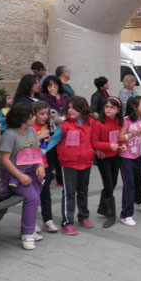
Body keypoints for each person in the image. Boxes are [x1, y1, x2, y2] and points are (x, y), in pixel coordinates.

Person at [0, 103, 44, 250]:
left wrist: (40, 166)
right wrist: (20, 177)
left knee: (36, 196)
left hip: (30, 170)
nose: (35, 117)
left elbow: (36, 151)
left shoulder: (32, 131)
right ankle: (27, 234)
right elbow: (5, 160)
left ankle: (29, 227)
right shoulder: (9, 135)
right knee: (32, 198)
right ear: (23, 118)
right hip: (13, 173)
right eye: (33, 115)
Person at [43, 96, 96, 236]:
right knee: (69, 192)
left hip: (86, 162)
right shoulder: (64, 125)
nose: (70, 110)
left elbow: (95, 139)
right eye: (69, 108)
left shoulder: (90, 122)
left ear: (82, 109)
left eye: (74, 108)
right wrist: (42, 152)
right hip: (69, 163)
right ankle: (67, 222)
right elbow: (54, 140)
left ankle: (83, 216)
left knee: (83, 190)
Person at [92, 97, 127, 228]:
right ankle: (111, 215)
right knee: (108, 184)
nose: (108, 109)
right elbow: (94, 142)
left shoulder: (119, 121)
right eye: (106, 107)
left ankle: (102, 208)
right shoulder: (98, 123)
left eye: (112, 107)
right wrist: (108, 146)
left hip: (115, 156)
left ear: (118, 110)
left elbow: (120, 138)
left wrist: (122, 145)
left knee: (112, 183)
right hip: (103, 157)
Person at [118, 96, 141, 225]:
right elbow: (120, 138)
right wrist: (133, 134)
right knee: (129, 184)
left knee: (139, 180)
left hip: (137, 156)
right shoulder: (126, 121)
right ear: (135, 107)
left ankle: (138, 200)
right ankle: (126, 214)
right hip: (125, 156)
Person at [31, 101, 57, 233]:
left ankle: (48, 220)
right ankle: (31, 221)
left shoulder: (46, 126)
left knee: (46, 194)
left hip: (44, 164)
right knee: (33, 195)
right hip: (32, 166)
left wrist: (48, 141)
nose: (45, 116)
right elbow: (26, 144)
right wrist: (39, 137)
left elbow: (43, 148)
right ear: (34, 114)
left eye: (46, 114)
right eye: (41, 114)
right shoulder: (30, 127)